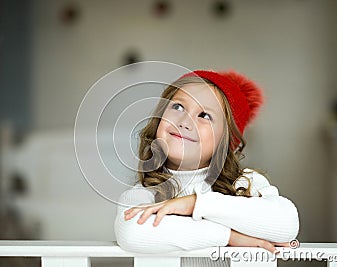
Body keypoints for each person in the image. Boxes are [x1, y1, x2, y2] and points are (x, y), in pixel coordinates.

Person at [114, 70, 299, 266]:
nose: (185, 122)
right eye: (178, 106)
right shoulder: (147, 192)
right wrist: (229, 236)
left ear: (226, 141)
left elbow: (286, 224)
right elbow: (133, 231)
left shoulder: (245, 183)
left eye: (205, 115)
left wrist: (195, 204)